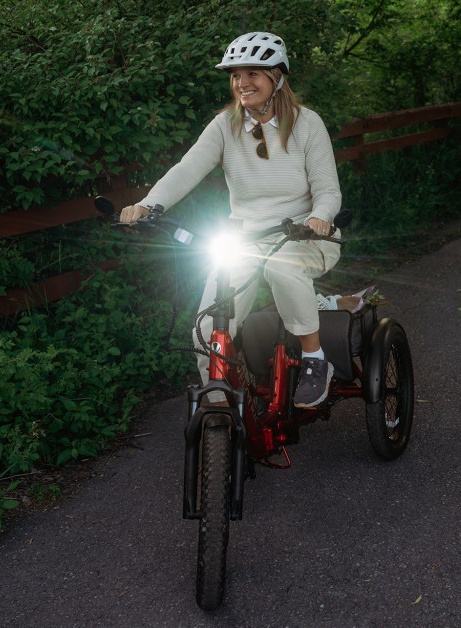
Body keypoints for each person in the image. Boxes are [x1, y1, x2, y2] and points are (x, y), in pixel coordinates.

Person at [119, 31, 342, 408]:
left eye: (253, 73)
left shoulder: (308, 124)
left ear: (278, 77)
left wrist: (320, 217)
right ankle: (223, 411)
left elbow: (328, 191)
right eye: (236, 74)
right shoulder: (225, 126)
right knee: (206, 327)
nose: (242, 82)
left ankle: (315, 360)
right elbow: (186, 170)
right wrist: (149, 204)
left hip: (305, 235)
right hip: (246, 240)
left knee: (283, 269)